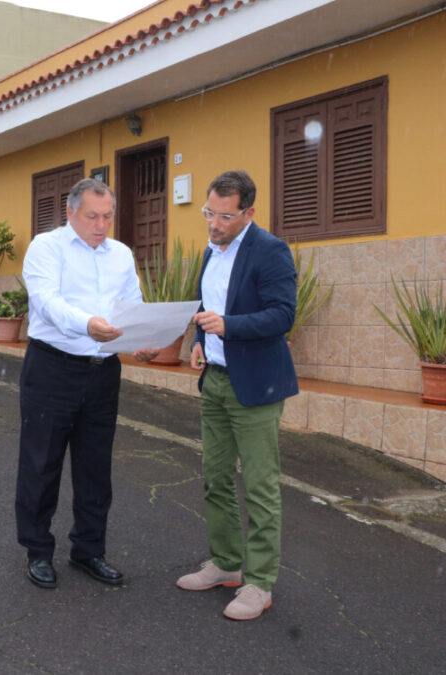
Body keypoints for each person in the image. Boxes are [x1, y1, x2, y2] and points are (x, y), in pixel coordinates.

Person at [16, 178, 159, 589]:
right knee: (41, 463)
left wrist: (142, 341)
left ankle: (89, 550)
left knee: (95, 466)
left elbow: (131, 304)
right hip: (52, 369)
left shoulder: (121, 254)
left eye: (108, 216)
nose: (101, 225)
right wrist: (87, 324)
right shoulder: (47, 247)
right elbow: (46, 300)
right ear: (70, 213)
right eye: (92, 216)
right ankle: (38, 550)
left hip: (102, 373)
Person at [176, 170, 297, 621]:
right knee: (216, 476)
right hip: (217, 380)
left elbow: (282, 315)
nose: (213, 223)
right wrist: (200, 342)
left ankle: (259, 583)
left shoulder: (270, 250)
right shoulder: (211, 251)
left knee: (261, 485)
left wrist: (230, 326)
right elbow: (205, 304)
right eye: (209, 212)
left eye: (224, 216)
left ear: (248, 212)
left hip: (257, 384)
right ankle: (226, 564)